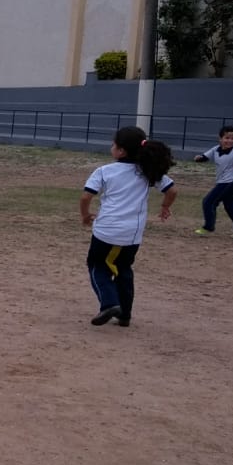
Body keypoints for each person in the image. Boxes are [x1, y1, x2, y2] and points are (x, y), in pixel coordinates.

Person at [80, 126, 177, 328]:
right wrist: (165, 206)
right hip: (133, 234)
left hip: (107, 231)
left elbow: (86, 197)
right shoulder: (147, 171)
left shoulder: (105, 171)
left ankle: (109, 304)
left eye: (113, 144)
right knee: (123, 268)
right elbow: (172, 190)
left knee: (97, 266)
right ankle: (125, 315)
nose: (111, 147)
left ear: (121, 151)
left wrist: (85, 215)